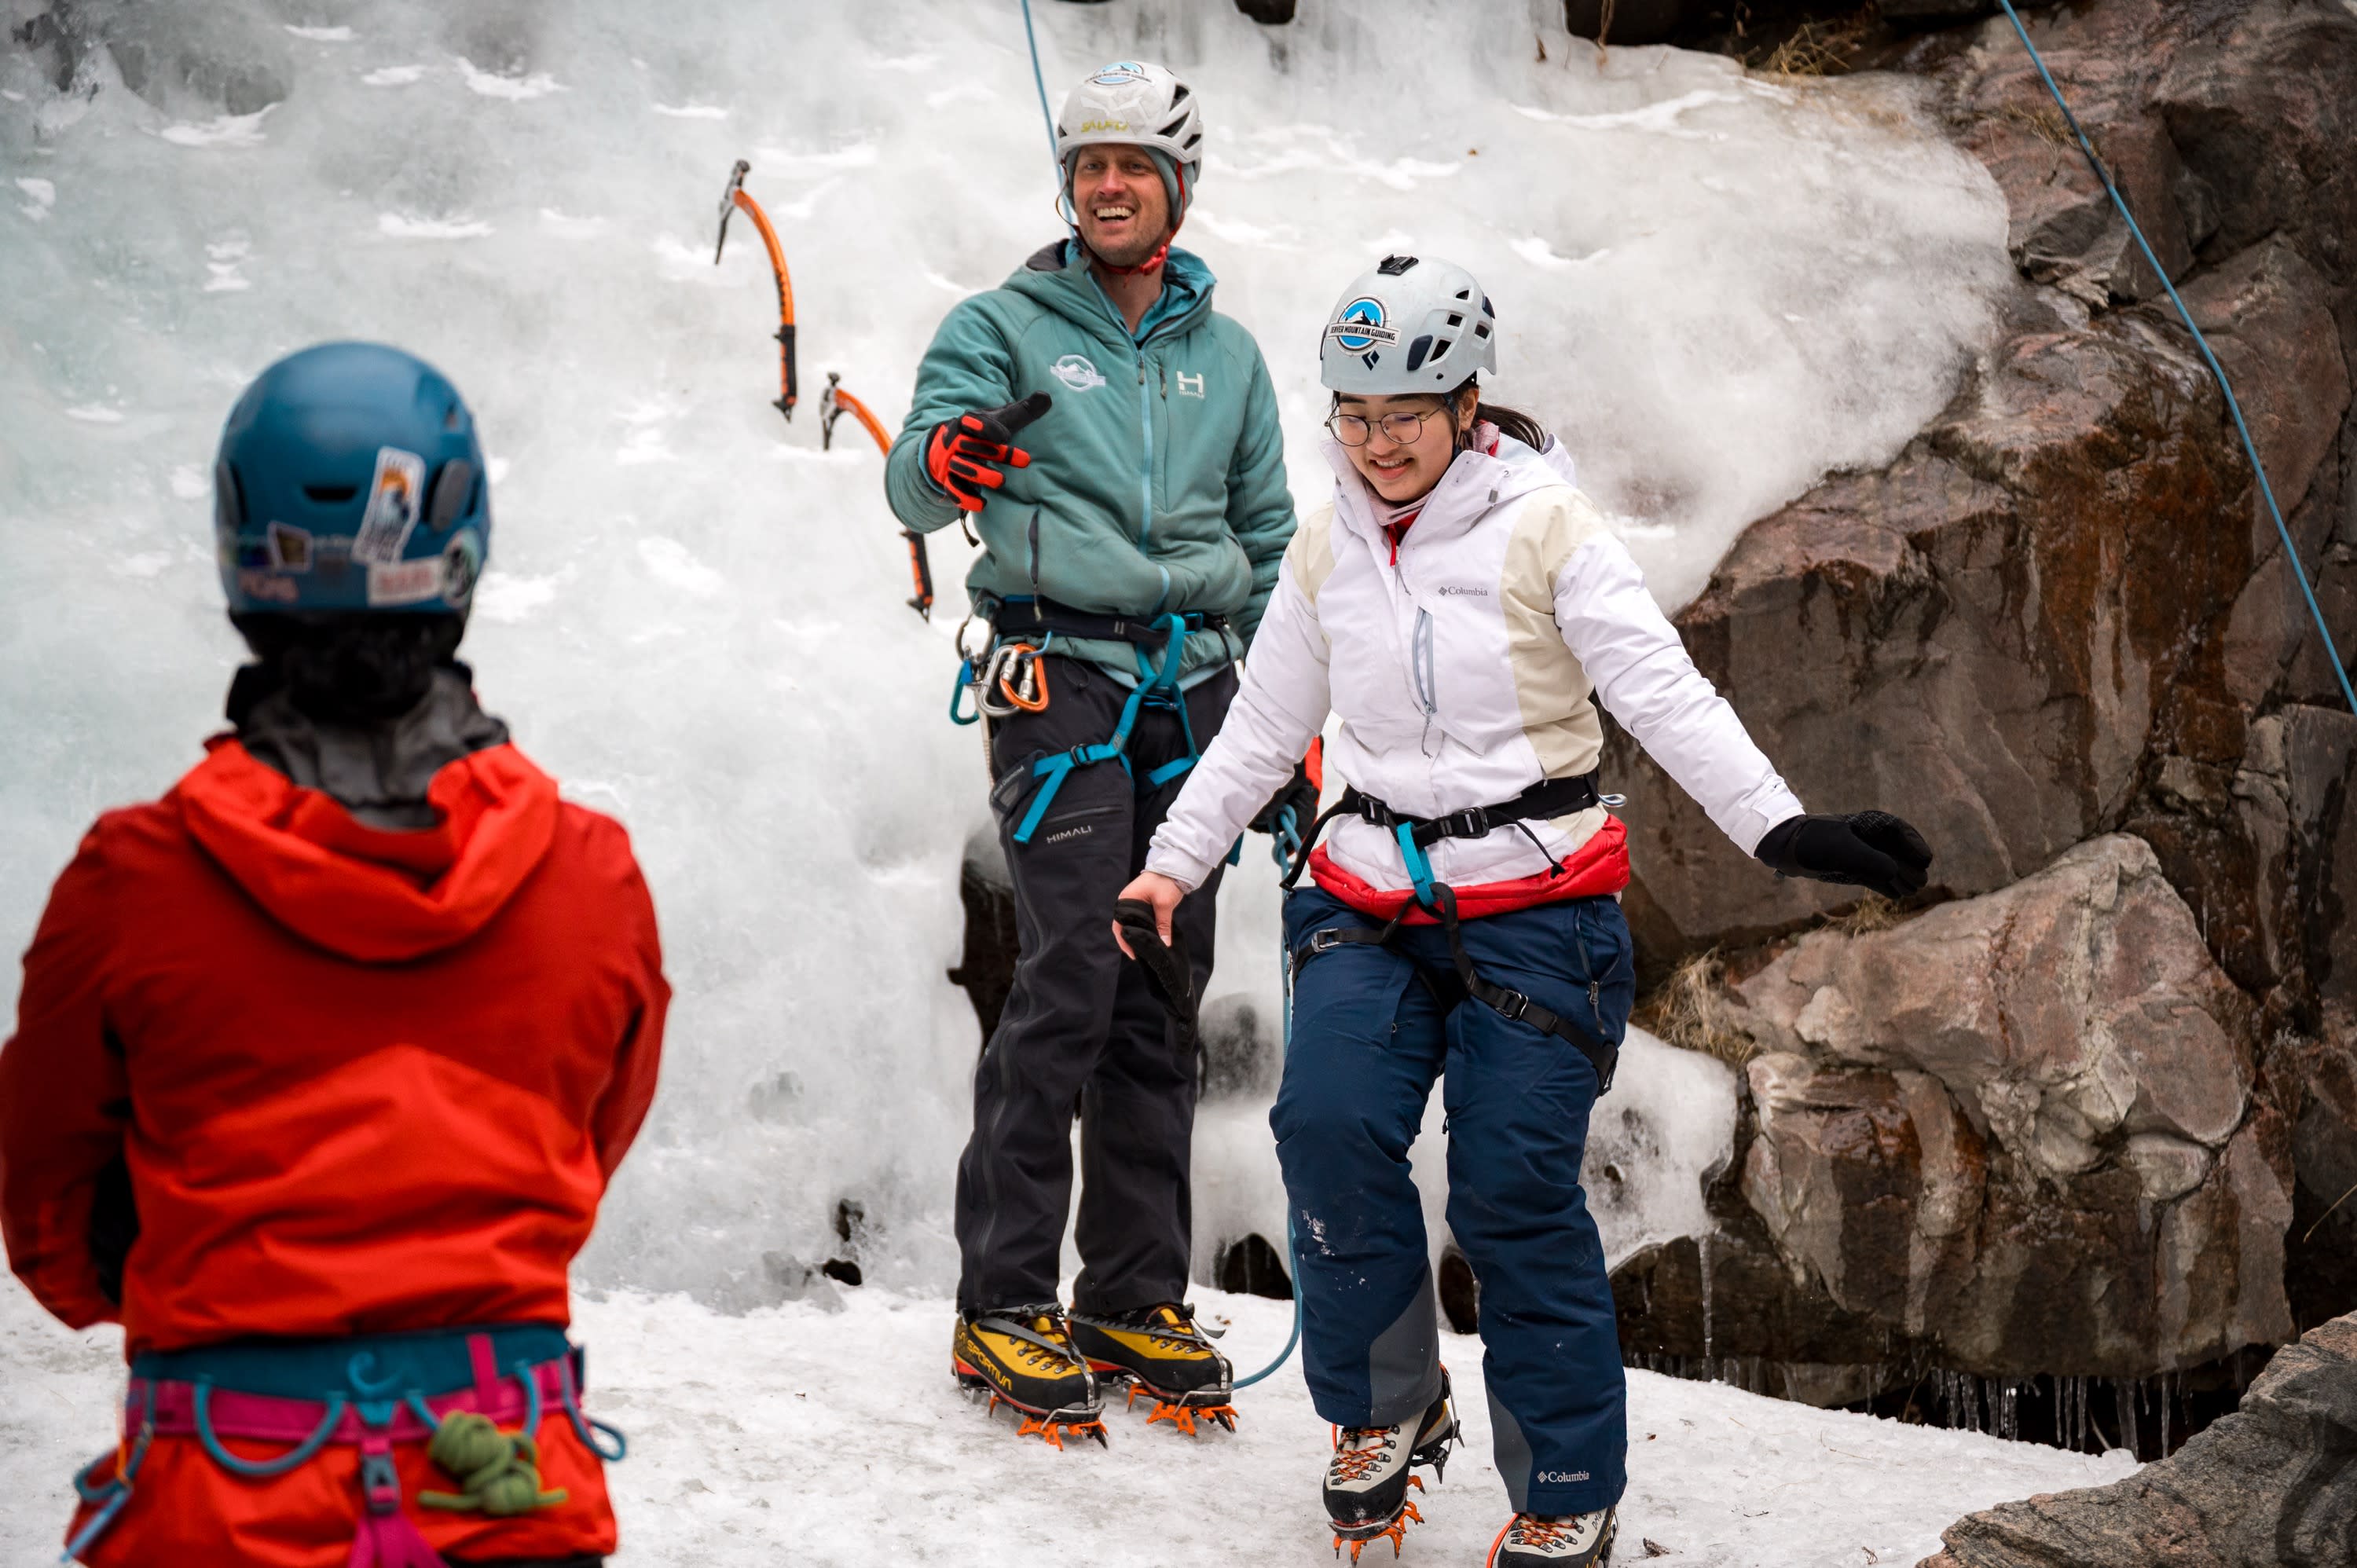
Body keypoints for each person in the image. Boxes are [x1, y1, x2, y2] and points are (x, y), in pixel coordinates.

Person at [1116, 257, 1932, 1565]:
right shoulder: (1327, 540)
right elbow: (1266, 727)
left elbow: (1665, 697)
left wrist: (1785, 828)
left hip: (1537, 909)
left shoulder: (1548, 532)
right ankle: (1388, 1406)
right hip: (1367, 897)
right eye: (1354, 414)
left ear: (1467, 403)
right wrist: (1172, 864)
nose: (1376, 441)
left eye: (1405, 413)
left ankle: (1567, 1478)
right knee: (1325, 1130)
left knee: (1506, 1192)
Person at [0, 343, 669, 1568]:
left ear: (242, 563)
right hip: (508, 1488)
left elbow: (48, 1218)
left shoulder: (132, 885)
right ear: (461, 564)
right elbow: (584, 1150)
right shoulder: (591, 877)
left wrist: (218, 1276)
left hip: (225, 1494)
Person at [883, 59, 1298, 1444]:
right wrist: (950, 460)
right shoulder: (1003, 324)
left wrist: (1290, 713)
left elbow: (1275, 542)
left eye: (1133, 167)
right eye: (1087, 167)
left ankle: (1129, 1291)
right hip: (1056, 672)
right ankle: (1001, 1301)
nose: (1107, 186)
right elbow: (914, 464)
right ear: (1067, 185)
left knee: (1166, 983)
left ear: (1178, 186)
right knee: (1068, 970)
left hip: (1202, 689)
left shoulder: (1228, 357)